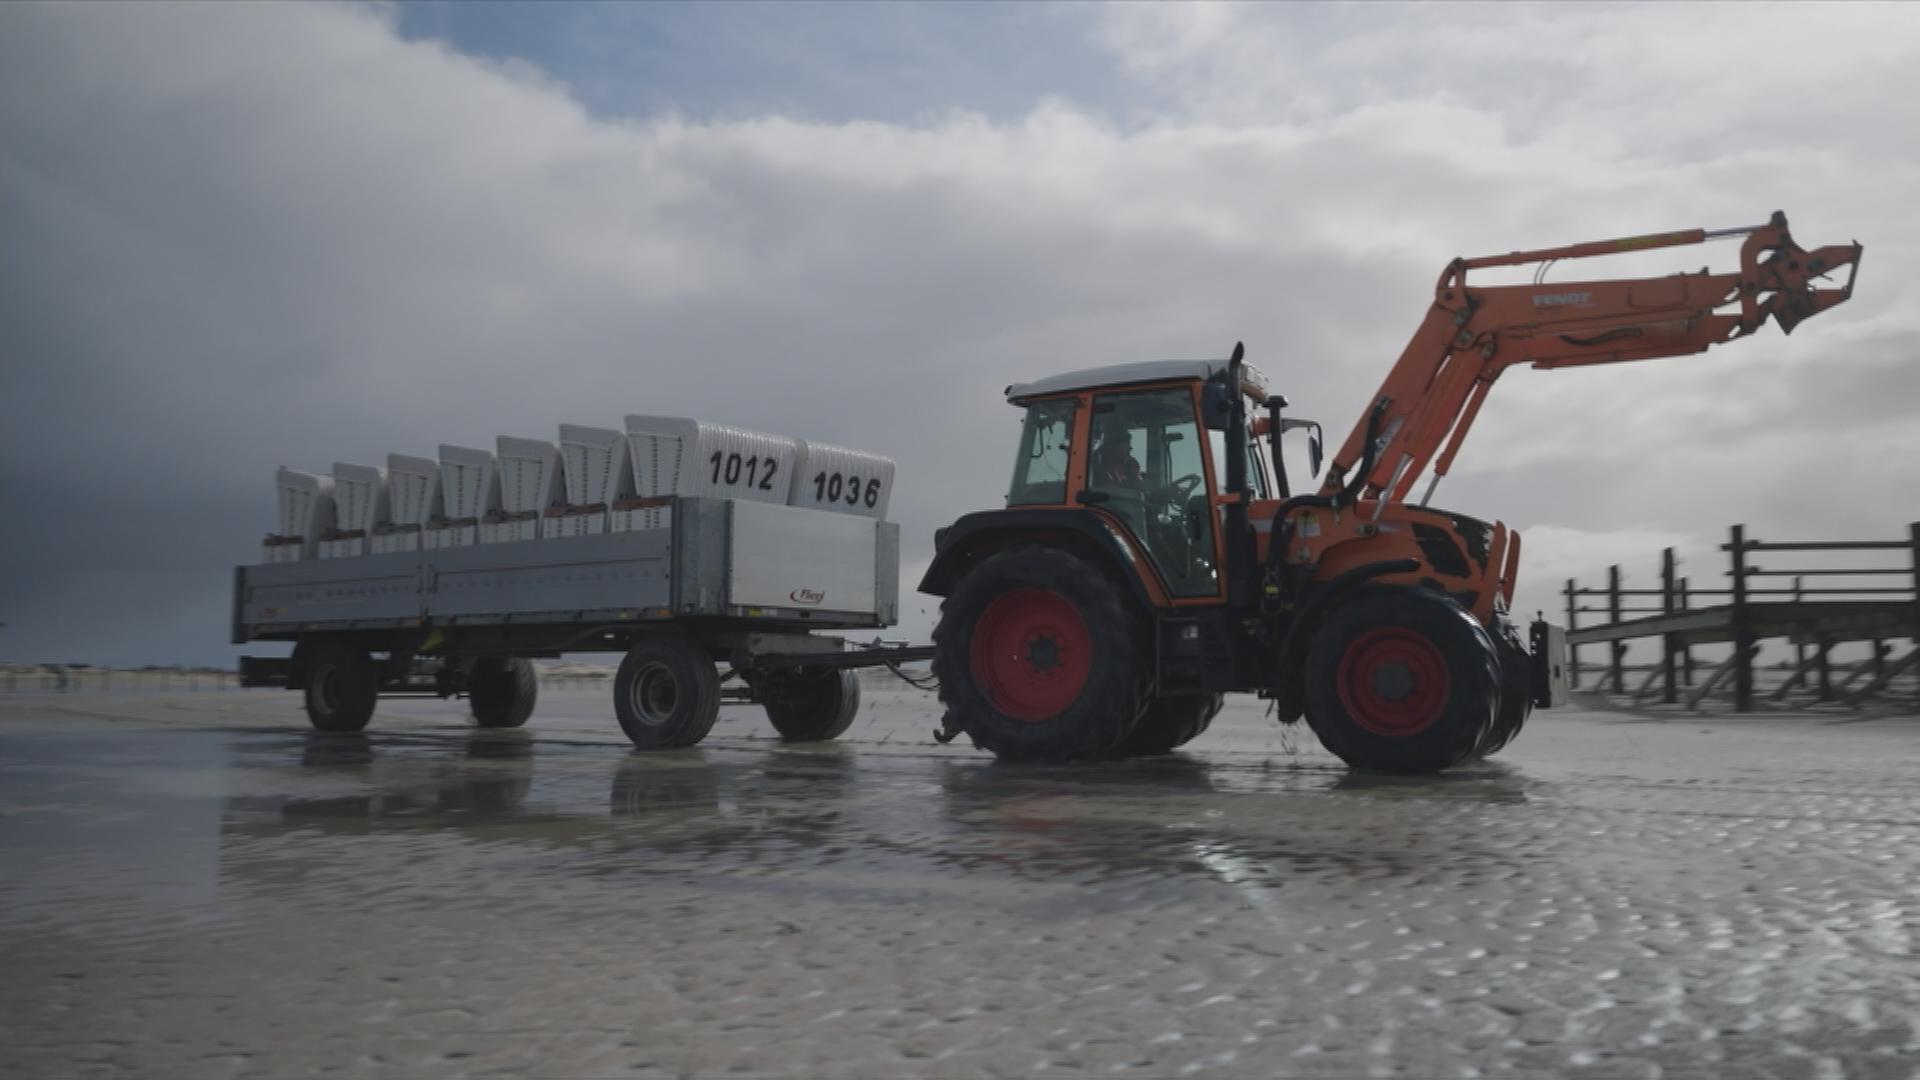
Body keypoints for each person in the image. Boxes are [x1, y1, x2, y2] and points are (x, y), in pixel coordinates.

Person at [1093, 424, 1143, 489]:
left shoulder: (1124, 465)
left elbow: (1140, 489)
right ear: (1113, 445)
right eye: (1127, 444)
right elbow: (1117, 493)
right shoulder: (1097, 466)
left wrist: (1134, 473)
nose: (1130, 448)